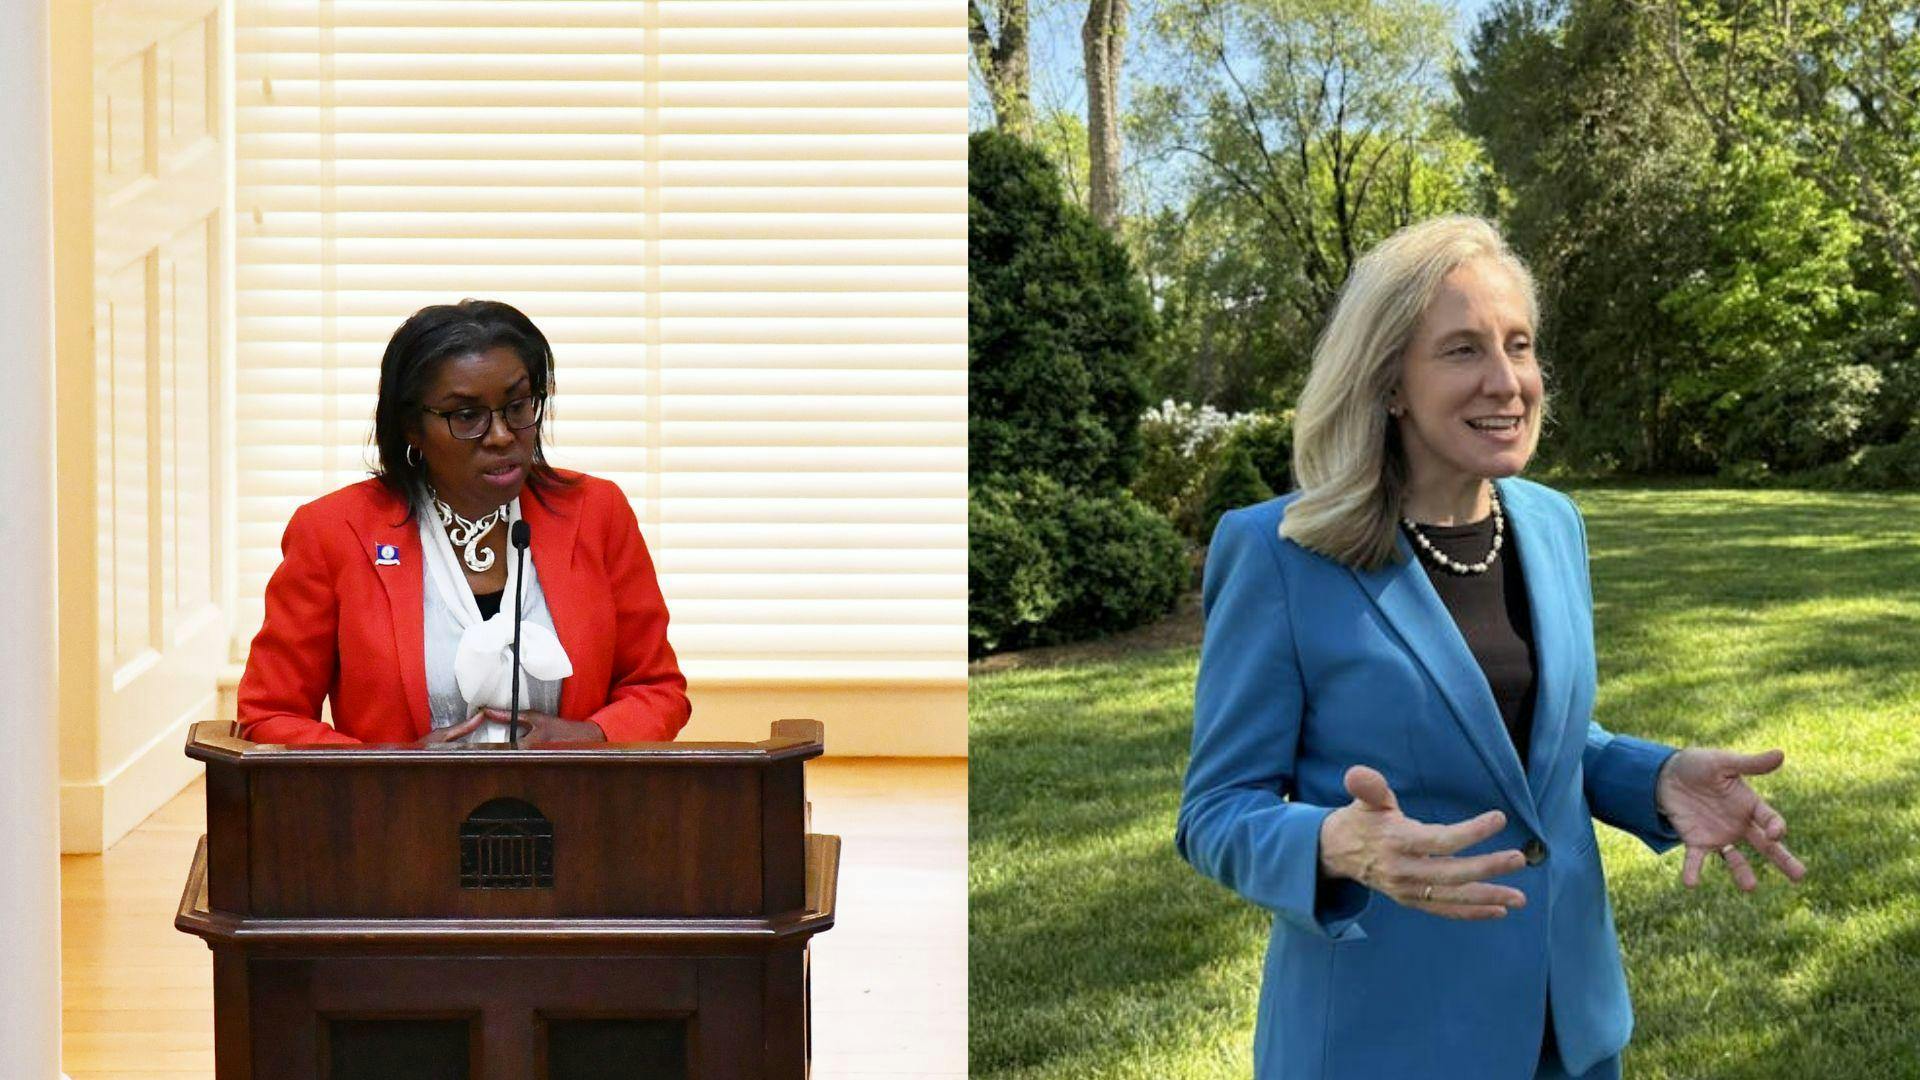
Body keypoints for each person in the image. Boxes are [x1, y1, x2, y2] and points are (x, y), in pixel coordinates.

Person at [1175, 216, 1806, 1079]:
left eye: (1519, 345)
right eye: (1463, 350)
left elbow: (1527, 744)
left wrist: (1651, 778)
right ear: (1389, 379)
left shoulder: (1552, 523)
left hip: (1571, 1031)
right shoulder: (1279, 553)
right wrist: (1335, 844)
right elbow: (1216, 811)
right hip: (1383, 1041)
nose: (1506, 381)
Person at [236, 299, 689, 747]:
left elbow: (657, 688)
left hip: (573, 810)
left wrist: (591, 736)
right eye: (467, 416)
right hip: (397, 817)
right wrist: (391, 772)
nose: (501, 435)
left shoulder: (596, 512)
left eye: (517, 406)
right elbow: (270, 713)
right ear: (412, 427)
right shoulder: (333, 532)